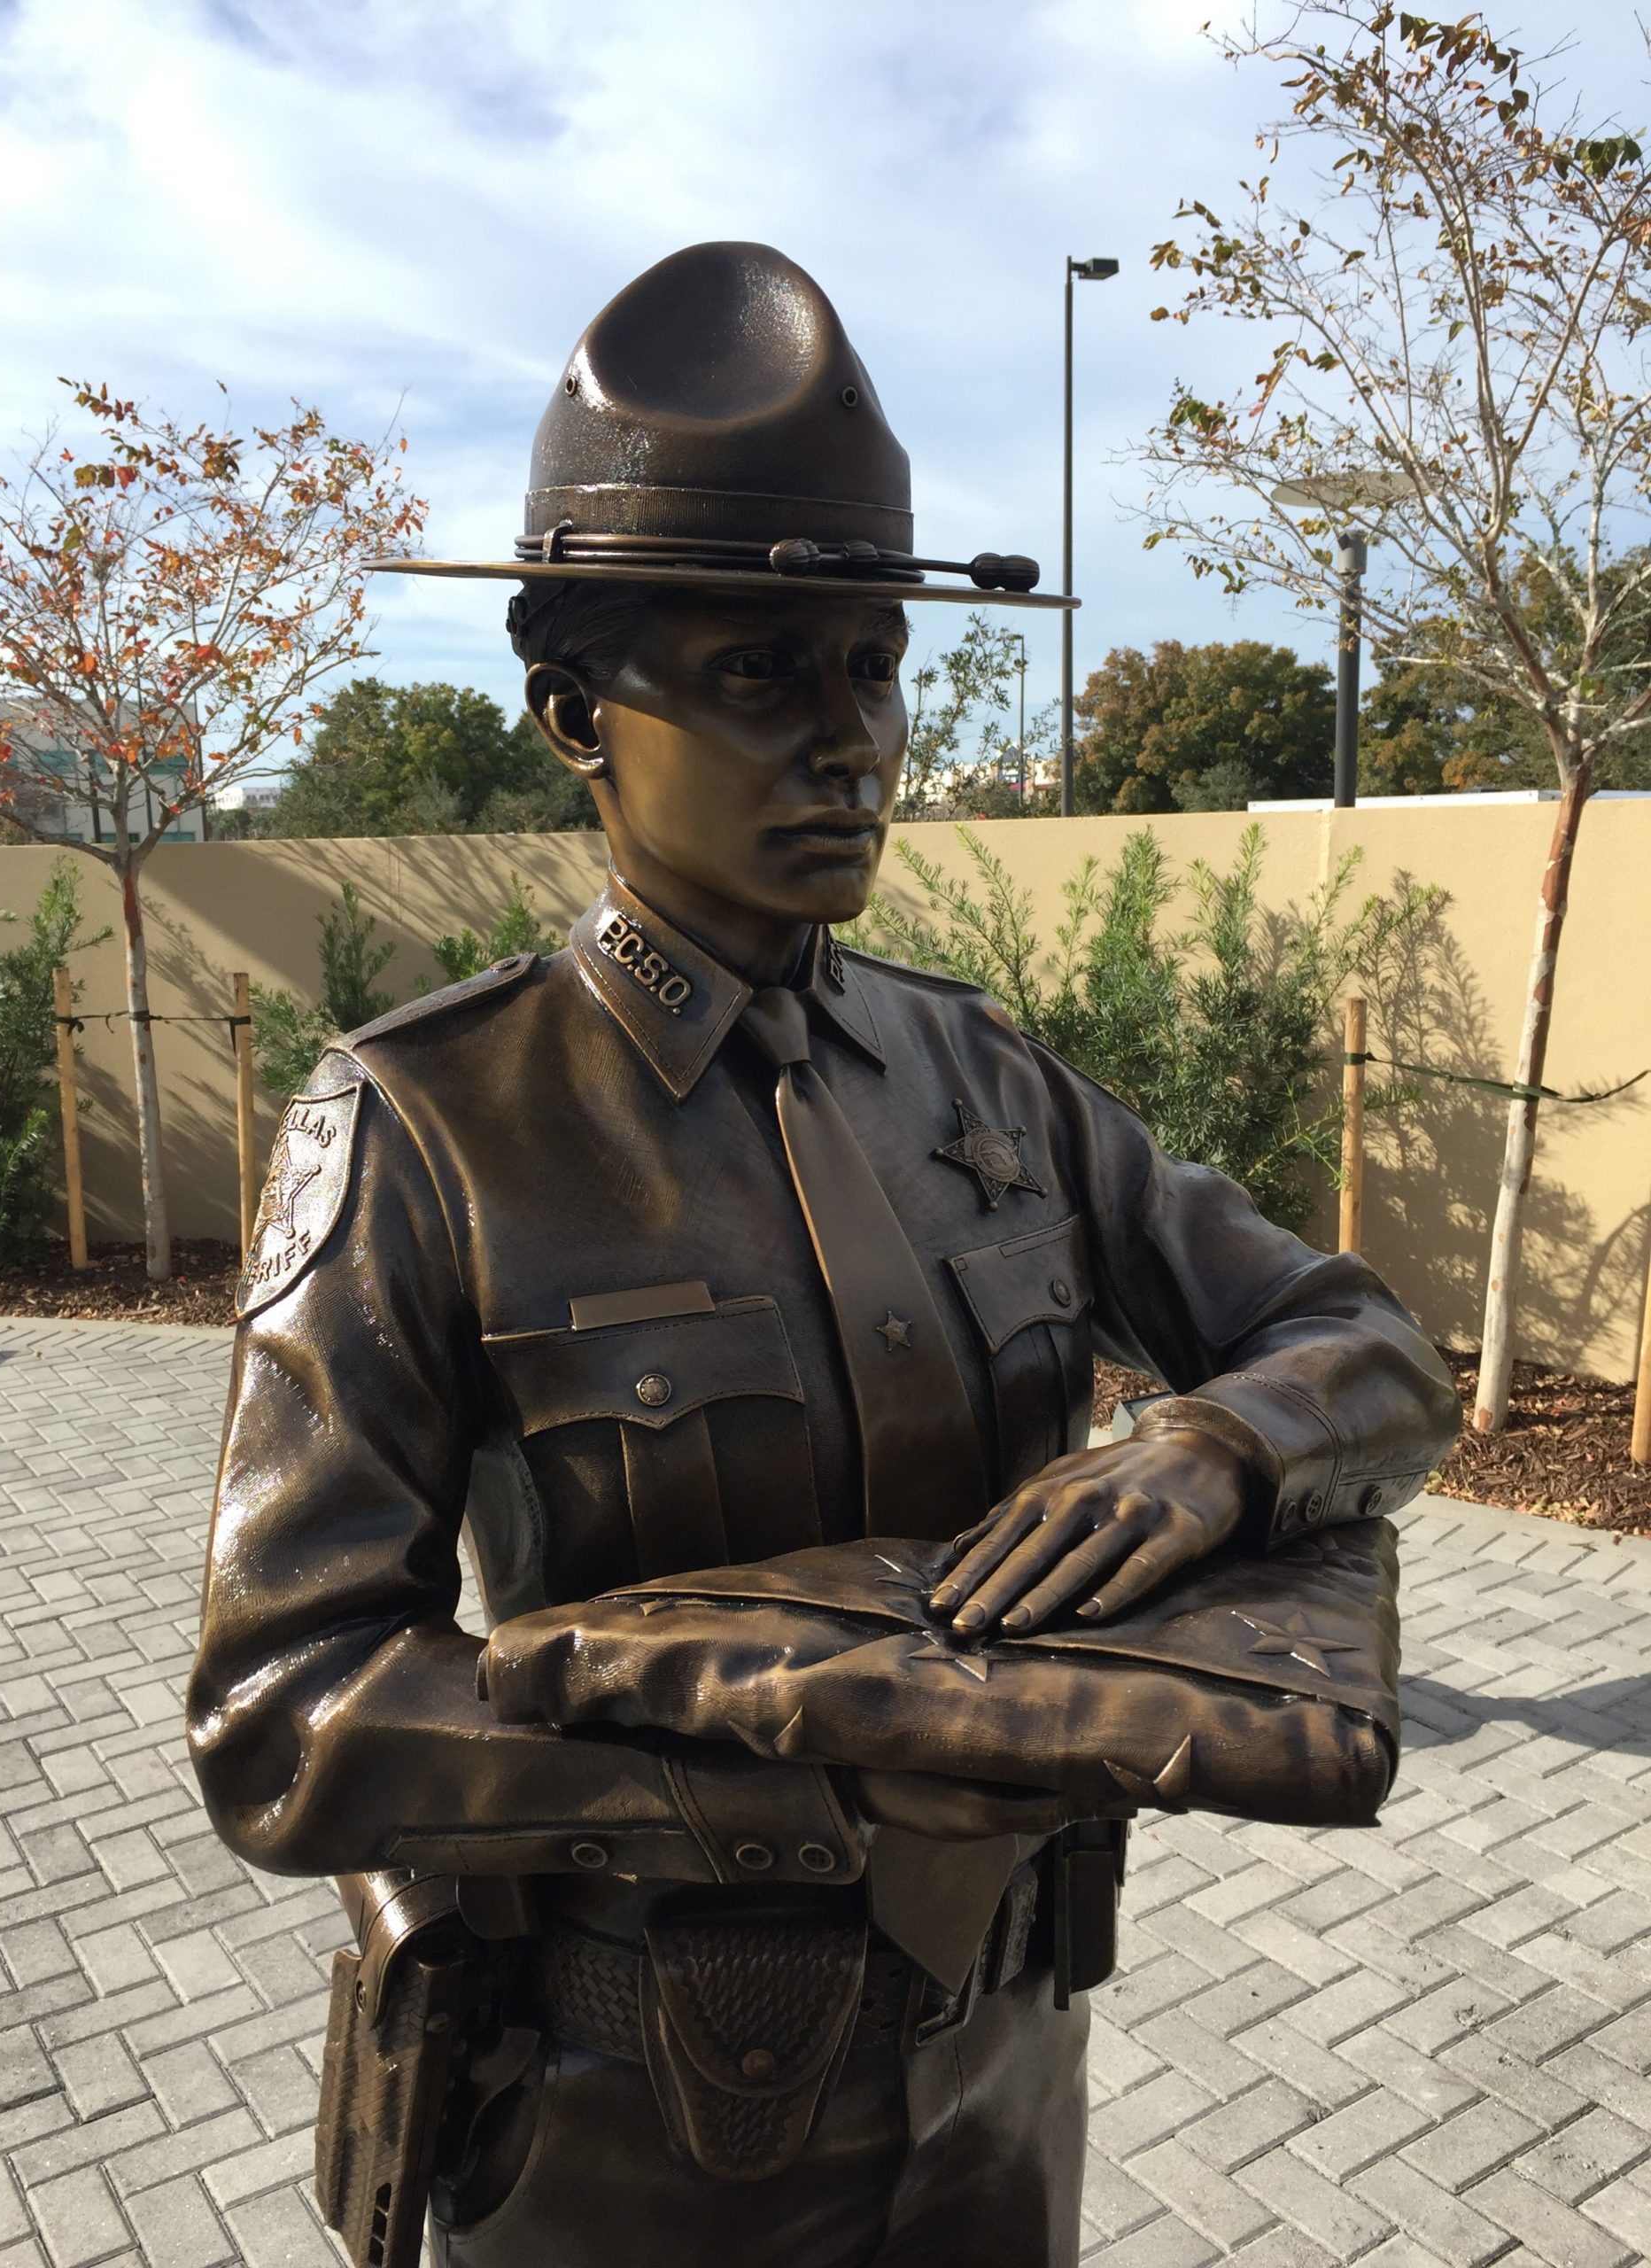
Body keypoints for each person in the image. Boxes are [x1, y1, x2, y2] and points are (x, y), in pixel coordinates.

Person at [189, 242, 1460, 2268]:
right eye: (759, 674)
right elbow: (284, 1705)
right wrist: (806, 1763)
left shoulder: (987, 1073)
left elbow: (1369, 1340)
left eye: (872, 663)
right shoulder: (428, 1120)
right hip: (644, 2131)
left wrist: (1213, 1442)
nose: (852, 736)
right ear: (574, 712)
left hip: (1009, 2068)